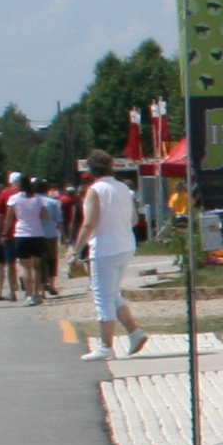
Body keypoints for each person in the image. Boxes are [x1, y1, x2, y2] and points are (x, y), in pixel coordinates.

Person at [77, 152, 145, 358]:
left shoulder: (95, 190)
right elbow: (134, 219)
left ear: (91, 169)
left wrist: (76, 249)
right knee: (112, 294)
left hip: (105, 248)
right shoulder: (123, 188)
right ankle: (134, 332)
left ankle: (106, 346)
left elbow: (89, 223)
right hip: (125, 244)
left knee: (102, 297)